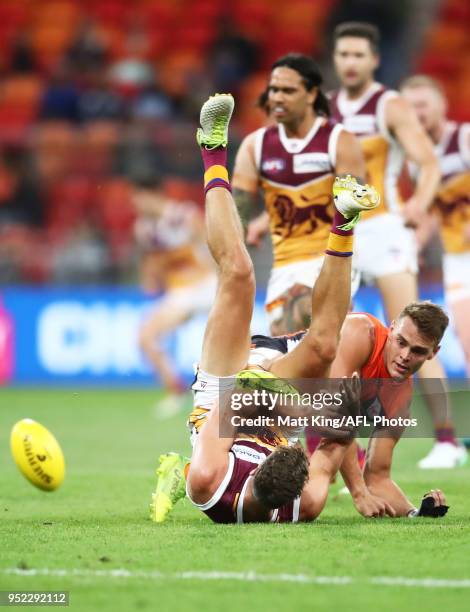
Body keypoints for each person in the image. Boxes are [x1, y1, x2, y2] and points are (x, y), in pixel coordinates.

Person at [150, 92, 384, 523]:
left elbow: (237, 400)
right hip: (278, 409)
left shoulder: (208, 477)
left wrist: (309, 408)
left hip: (222, 404)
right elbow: (329, 450)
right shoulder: (306, 501)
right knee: (323, 347)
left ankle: (212, 152)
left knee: (238, 273)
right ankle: (345, 220)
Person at [330, 21, 465, 469]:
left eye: (358, 55)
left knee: (414, 336)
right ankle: (323, 441)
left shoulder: (388, 105)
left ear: (373, 60)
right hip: (343, 230)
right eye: (343, 55)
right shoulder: (326, 109)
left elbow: (427, 163)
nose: (350, 62)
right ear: (335, 59)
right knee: (325, 338)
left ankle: (446, 439)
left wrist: (418, 206)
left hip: (385, 227)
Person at [232, 53, 365, 335]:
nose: (278, 97)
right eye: (274, 90)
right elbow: (236, 215)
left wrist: (331, 271)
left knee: (305, 313)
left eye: (288, 90)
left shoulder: (339, 141)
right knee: (287, 352)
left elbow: (350, 211)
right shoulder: (254, 147)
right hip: (284, 265)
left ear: (311, 94)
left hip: (331, 259)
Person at [331, 302, 451, 517]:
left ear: (433, 353)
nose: (405, 356)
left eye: (418, 351)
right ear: (392, 327)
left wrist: (415, 514)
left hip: (297, 414)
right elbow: (334, 418)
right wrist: (359, 494)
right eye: (401, 342)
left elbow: (377, 477)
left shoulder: (400, 402)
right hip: (265, 381)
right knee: (311, 498)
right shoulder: (358, 332)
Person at [400, 75, 470, 378]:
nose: (418, 113)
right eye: (411, 107)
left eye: (423, 105)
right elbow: (430, 212)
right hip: (457, 259)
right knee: (467, 343)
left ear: (442, 105)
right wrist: (414, 243)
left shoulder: (464, 139)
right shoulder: (417, 161)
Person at [131, 172, 217, 418]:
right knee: (145, 337)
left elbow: (209, 246)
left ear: (151, 194)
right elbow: (152, 262)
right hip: (180, 293)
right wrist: (150, 277)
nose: (134, 204)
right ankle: (175, 391)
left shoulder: (185, 215)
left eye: (137, 197)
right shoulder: (143, 228)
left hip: (207, 286)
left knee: (240, 343)